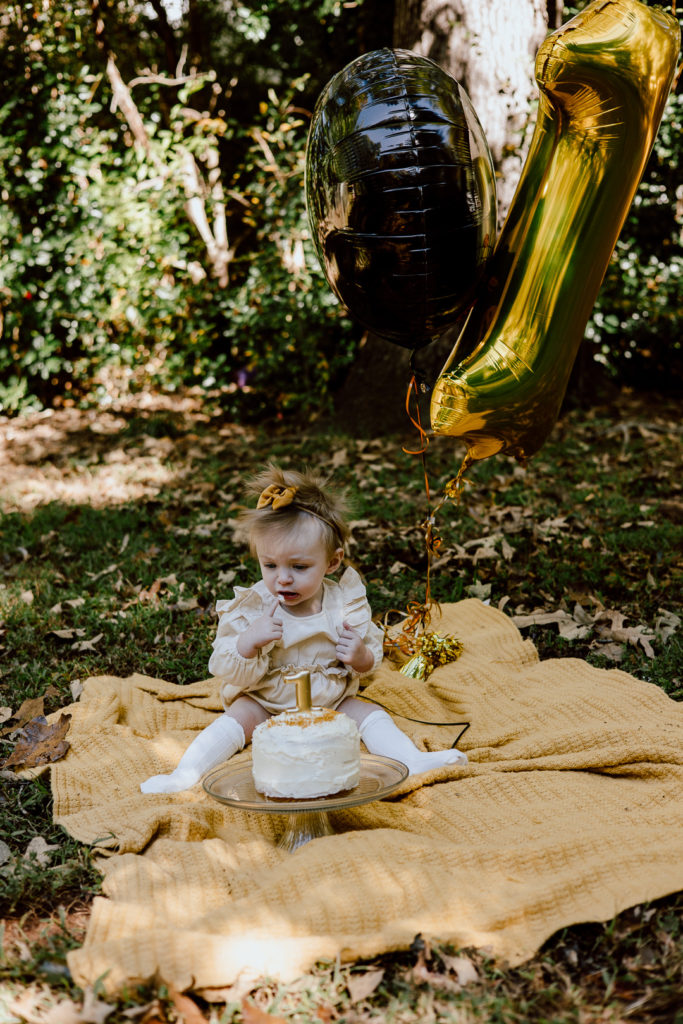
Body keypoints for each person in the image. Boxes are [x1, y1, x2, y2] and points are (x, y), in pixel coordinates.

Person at [141, 466, 467, 793]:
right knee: (236, 718)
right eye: (270, 565)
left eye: (299, 567)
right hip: (265, 700)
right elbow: (225, 667)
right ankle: (184, 774)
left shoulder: (343, 606)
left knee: (370, 713)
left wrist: (360, 656)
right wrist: (249, 643)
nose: (283, 578)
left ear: (332, 562)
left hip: (330, 701)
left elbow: (369, 665)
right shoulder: (254, 608)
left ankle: (410, 760)